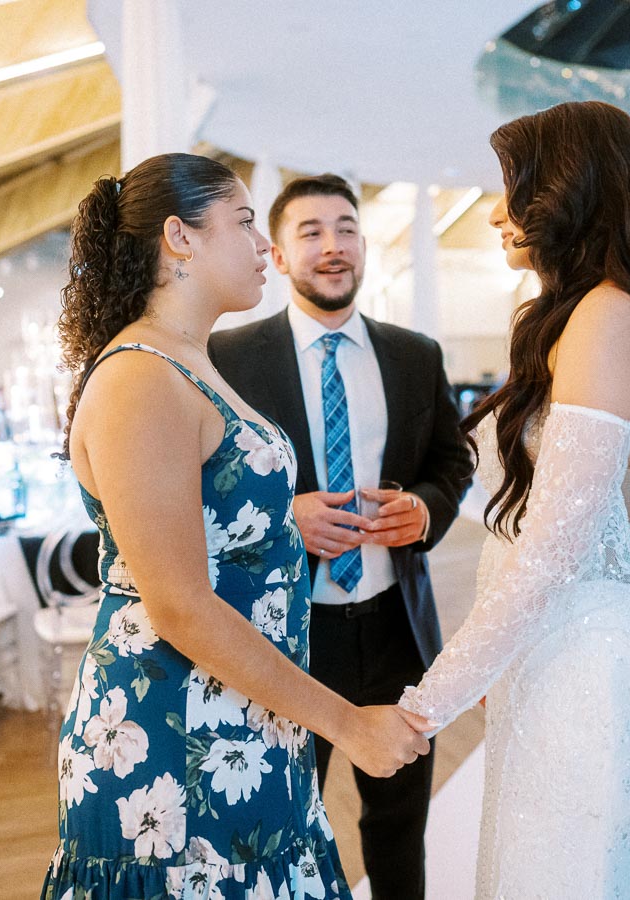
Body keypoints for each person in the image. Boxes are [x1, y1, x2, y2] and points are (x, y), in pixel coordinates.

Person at [42, 153, 430, 900]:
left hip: (242, 715)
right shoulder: (138, 378)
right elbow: (179, 602)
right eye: (246, 222)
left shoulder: (187, 359)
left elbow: (211, 520)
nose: (263, 247)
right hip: (171, 735)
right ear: (179, 238)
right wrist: (346, 724)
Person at [397, 100, 630, 897]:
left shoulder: (608, 318)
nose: (499, 212)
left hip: (592, 660)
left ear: (569, 191)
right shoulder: (603, 313)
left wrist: (422, 708)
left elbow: (550, 553)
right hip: (572, 643)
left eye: (516, 187)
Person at [209, 174, 474, 899]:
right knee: (283, 823)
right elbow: (202, 485)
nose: (333, 247)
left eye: (347, 228)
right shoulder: (227, 357)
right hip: (287, 636)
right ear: (280, 254)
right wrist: (281, 517)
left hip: (397, 630)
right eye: (312, 231)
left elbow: (452, 463)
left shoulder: (415, 354)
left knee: (398, 826)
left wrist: (424, 509)